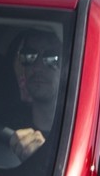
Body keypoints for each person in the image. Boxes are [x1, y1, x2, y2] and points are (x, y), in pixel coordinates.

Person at [6, 28, 66, 158]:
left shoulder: (79, 133)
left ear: (66, 67)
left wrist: (42, 155)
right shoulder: (4, 124)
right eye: (29, 56)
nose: (38, 67)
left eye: (51, 58)